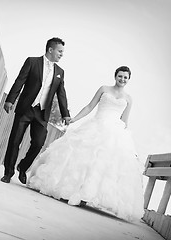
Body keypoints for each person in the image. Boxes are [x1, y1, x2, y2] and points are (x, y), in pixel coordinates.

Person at [28, 66, 144, 221]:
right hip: (96, 125)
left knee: (101, 165)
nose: (122, 79)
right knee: (81, 159)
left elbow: (125, 121)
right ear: (115, 76)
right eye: (120, 76)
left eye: (125, 77)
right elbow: (90, 106)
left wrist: (128, 144)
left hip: (114, 132)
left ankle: (85, 196)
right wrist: (74, 119)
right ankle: (72, 192)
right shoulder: (104, 89)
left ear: (128, 79)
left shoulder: (128, 98)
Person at [1, 37, 71, 184]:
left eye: (62, 52)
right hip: (26, 108)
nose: (61, 54)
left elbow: (61, 93)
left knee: (38, 143)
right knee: (15, 141)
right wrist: (10, 100)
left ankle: (23, 166)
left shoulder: (60, 72)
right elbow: (20, 81)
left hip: (42, 113)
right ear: (50, 49)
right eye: (60, 51)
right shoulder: (32, 62)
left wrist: (66, 114)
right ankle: (8, 173)